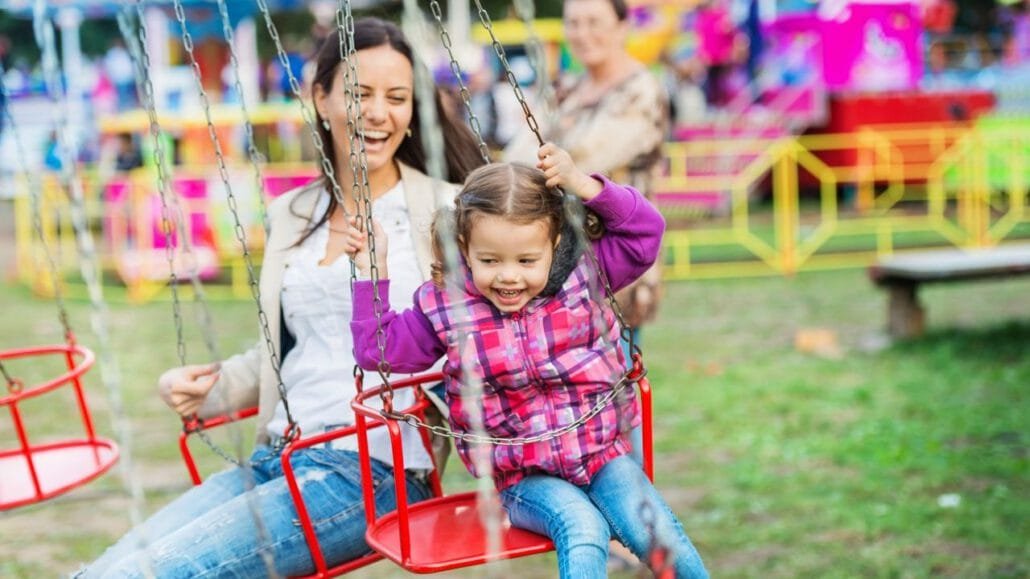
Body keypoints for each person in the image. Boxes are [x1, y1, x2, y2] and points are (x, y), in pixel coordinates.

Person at [78, 18, 483, 578]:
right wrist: (211, 387)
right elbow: (296, 347)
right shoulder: (294, 213)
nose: (379, 113)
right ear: (320, 98)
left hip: (376, 469)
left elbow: (506, 317)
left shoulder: (449, 209)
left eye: (397, 98)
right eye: (358, 93)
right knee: (105, 569)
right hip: (282, 457)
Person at [347, 143, 709, 579]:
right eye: (489, 260)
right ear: (464, 245)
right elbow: (378, 352)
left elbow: (645, 232)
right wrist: (374, 269)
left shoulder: (586, 273)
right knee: (582, 525)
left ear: (554, 244)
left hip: (602, 454)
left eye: (526, 260)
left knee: (659, 535)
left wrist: (583, 185)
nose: (509, 276)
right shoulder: (447, 306)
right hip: (523, 478)